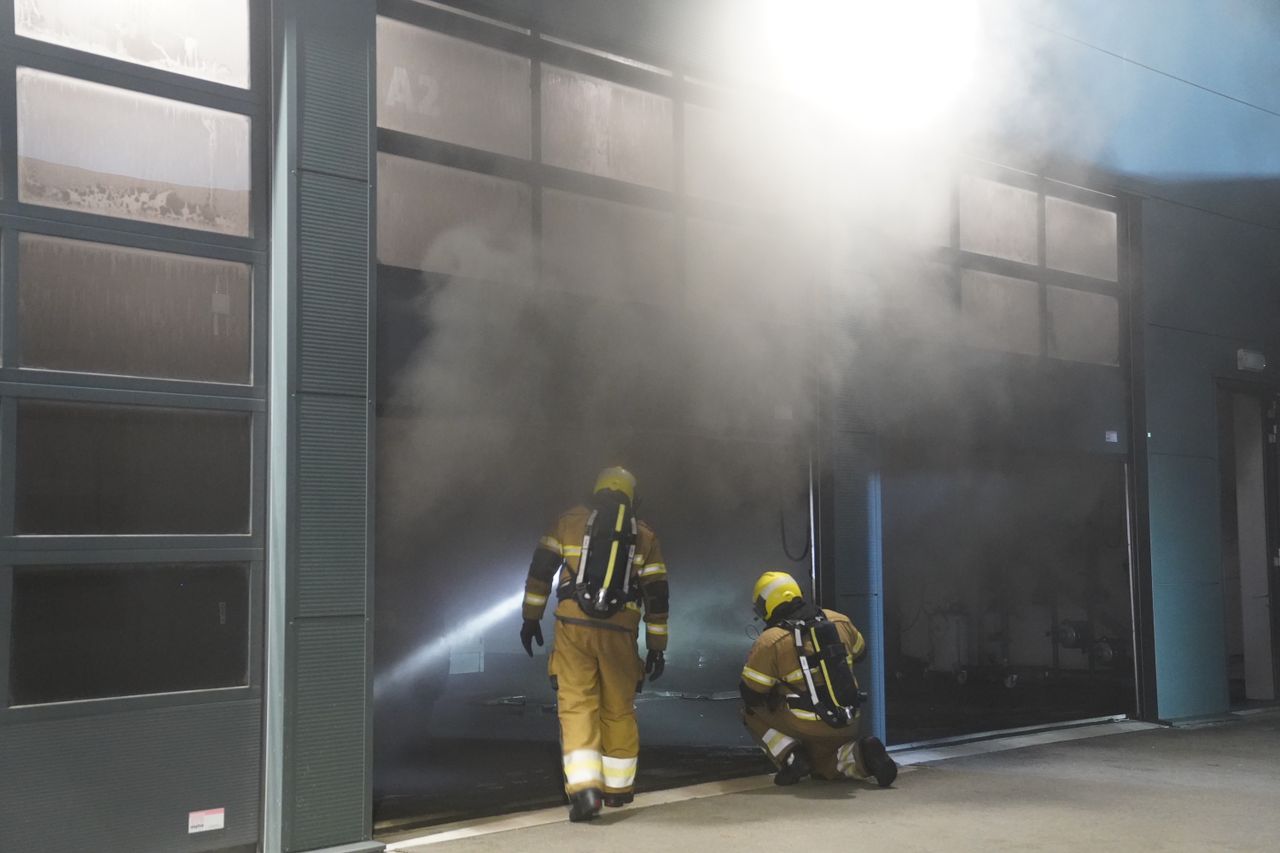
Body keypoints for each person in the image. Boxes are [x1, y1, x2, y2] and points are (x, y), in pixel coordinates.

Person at [520, 466, 669, 822]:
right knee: (618, 707)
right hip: (621, 632)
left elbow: (540, 571)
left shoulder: (569, 521)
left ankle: (586, 791)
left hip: (574, 627)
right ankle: (618, 790)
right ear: (632, 497)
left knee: (577, 705)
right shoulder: (645, 536)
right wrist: (658, 645)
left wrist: (530, 618)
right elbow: (658, 596)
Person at [739, 571, 897, 788]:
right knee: (824, 766)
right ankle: (864, 754)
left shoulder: (770, 641)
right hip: (848, 721)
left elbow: (752, 694)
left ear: (767, 604)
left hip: (805, 725)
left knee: (749, 713)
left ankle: (791, 756)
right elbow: (861, 653)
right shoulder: (839, 620)